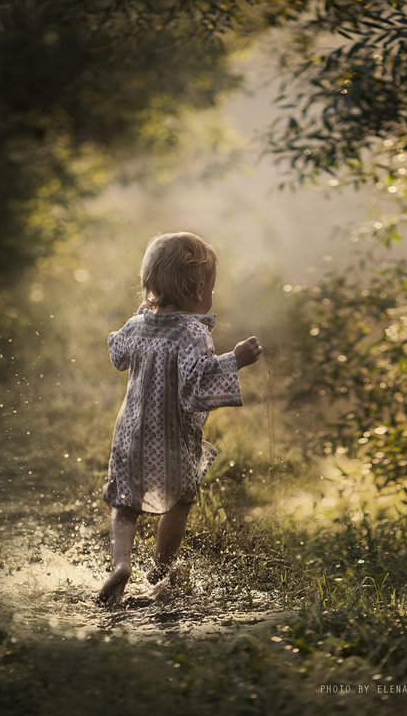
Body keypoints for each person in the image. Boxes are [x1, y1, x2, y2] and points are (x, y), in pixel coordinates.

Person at [98, 231, 262, 605]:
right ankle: (158, 572)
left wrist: (135, 321)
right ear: (195, 290)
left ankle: (121, 564)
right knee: (179, 502)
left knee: (124, 504)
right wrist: (235, 359)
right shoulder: (192, 333)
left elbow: (117, 355)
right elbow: (196, 385)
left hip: (130, 434)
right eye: (210, 288)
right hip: (170, 438)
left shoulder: (138, 325)